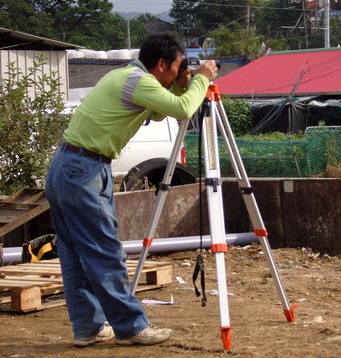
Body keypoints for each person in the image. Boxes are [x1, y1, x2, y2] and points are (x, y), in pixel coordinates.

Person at [45, 33, 217, 348]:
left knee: (75, 254)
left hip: (68, 166)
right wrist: (202, 80)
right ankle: (131, 327)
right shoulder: (139, 81)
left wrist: (180, 85)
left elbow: (158, 111)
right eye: (178, 66)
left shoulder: (124, 75)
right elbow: (182, 110)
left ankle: (88, 327)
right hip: (84, 170)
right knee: (104, 251)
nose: (181, 71)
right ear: (162, 64)